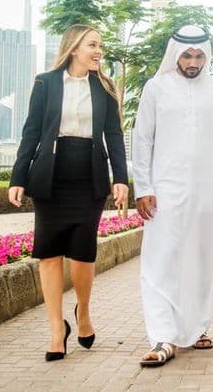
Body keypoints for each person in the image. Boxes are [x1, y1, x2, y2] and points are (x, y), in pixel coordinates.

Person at [8, 24, 129, 362]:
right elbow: (31, 132)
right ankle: (55, 330)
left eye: (100, 46)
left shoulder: (104, 87)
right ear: (74, 47)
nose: (98, 51)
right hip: (50, 175)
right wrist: (18, 177)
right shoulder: (45, 84)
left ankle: (84, 312)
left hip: (87, 176)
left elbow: (114, 136)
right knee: (48, 253)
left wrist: (120, 178)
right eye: (92, 44)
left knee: (83, 253)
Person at [132, 25, 213, 367]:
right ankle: (163, 336)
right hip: (165, 192)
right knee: (161, 260)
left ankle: (197, 328)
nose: (193, 62)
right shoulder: (156, 88)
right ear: (175, 55)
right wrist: (144, 188)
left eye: (199, 56)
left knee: (202, 260)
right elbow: (142, 140)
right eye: (186, 55)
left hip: (206, 191)